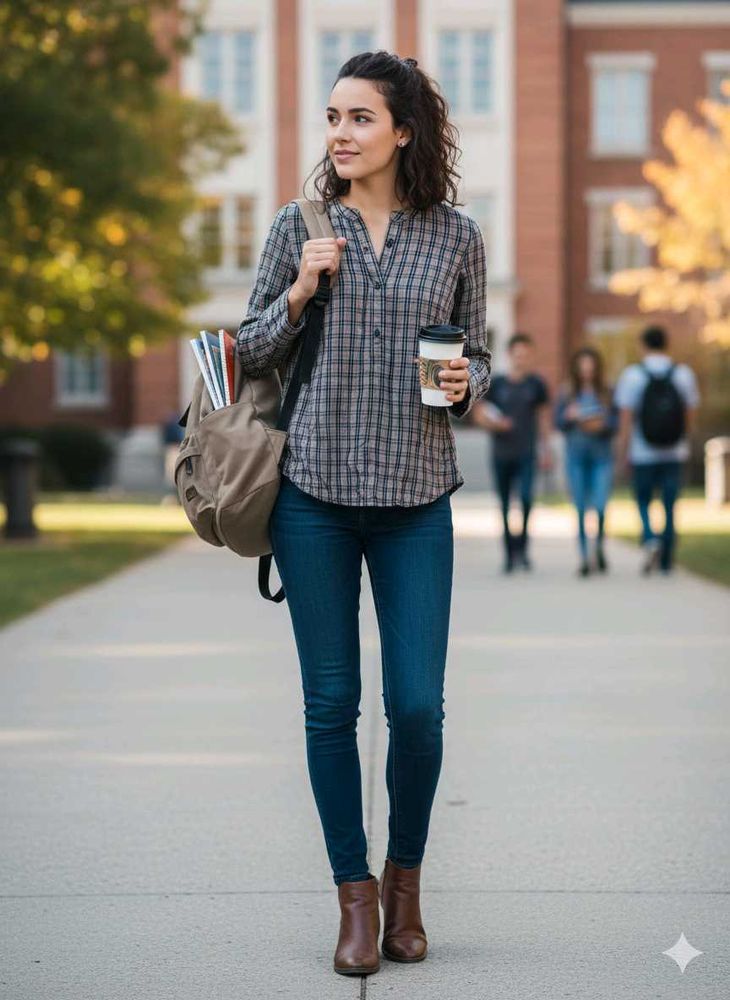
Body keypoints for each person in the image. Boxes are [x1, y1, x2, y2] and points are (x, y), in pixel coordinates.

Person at [235, 52, 491, 976]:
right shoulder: (298, 226)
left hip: (418, 498)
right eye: (333, 118)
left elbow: (476, 359)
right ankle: (355, 898)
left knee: (418, 709)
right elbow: (240, 355)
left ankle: (407, 884)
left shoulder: (457, 237)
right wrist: (300, 291)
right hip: (314, 502)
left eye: (359, 119)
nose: (339, 134)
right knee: (330, 705)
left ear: (403, 132)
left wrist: (466, 381)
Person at [614, 324, 700, 575]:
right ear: (666, 344)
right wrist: (684, 438)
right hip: (675, 450)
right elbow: (690, 412)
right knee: (670, 504)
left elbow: (626, 418)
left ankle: (650, 537)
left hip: (643, 452)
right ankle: (666, 560)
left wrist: (622, 451)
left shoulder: (633, 375)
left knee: (643, 499)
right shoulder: (683, 373)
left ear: (643, 345)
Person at [473, 333, 552, 572]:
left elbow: (544, 419)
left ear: (530, 356)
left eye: (525, 355)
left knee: (527, 500)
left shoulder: (536, 385)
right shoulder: (496, 384)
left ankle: (523, 549)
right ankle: (508, 554)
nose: (521, 359)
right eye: (517, 354)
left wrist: (546, 450)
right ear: (509, 355)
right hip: (501, 453)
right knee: (505, 505)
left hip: (527, 453)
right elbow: (479, 415)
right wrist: (495, 425)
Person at [554, 347, 618, 576]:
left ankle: (599, 547)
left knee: (600, 506)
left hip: (601, 457)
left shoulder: (608, 391)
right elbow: (558, 422)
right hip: (576, 457)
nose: (587, 371)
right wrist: (568, 416)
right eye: (583, 367)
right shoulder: (567, 392)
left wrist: (601, 422)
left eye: (591, 367)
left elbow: (615, 423)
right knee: (580, 508)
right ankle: (583, 557)